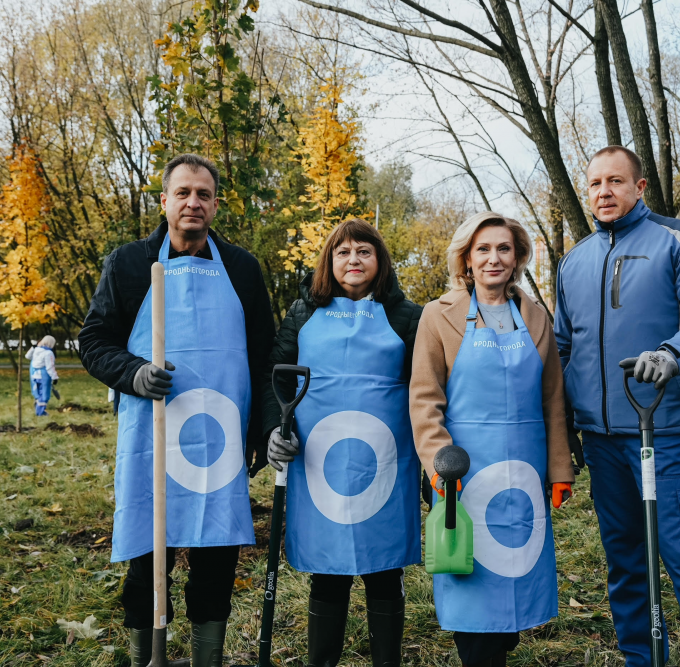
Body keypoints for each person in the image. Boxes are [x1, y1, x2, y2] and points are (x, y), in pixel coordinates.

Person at [78, 154, 276, 667]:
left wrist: (263, 431)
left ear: (215, 205)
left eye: (204, 195)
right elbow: (94, 340)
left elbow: (264, 354)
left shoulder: (243, 268)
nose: (193, 203)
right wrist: (134, 374)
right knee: (148, 558)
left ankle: (207, 657)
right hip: (153, 436)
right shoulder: (128, 263)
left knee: (216, 554)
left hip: (221, 440)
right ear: (164, 200)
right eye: (183, 192)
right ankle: (150, 656)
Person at [554, 146, 680, 667]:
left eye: (616, 181)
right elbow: (563, 348)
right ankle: (642, 657)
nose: (604, 192)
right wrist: (565, 426)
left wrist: (672, 353)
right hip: (601, 437)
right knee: (625, 562)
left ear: (640, 188)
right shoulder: (574, 261)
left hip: (665, 429)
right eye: (595, 184)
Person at [410, 212, 575, 667]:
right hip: (461, 476)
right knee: (472, 584)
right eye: (483, 249)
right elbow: (425, 400)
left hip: (523, 476)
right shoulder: (437, 316)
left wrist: (560, 468)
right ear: (466, 259)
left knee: (515, 572)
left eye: (504, 248)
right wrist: (439, 465)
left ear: (519, 257)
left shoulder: (537, 318)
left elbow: (553, 401)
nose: (493, 258)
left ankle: (502, 638)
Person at [264, 219, 422, 667]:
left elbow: (428, 385)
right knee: (328, 571)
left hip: (387, 462)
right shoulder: (302, 313)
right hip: (319, 462)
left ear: (380, 260)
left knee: (384, 570)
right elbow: (274, 375)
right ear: (329, 262)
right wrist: (275, 429)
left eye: (364, 252)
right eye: (343, 252)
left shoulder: (407, 316)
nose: (353, 260)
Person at [25, 335, 60, 416]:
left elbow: (27, 356)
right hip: (44, 376)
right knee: (44, 394)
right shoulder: (48, 353)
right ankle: (40, 412)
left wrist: (33, 347)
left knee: (38, 392)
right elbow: (50, 366)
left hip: (35, 375)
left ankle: (38, 407)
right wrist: (55, 377)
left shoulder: (37, 350)